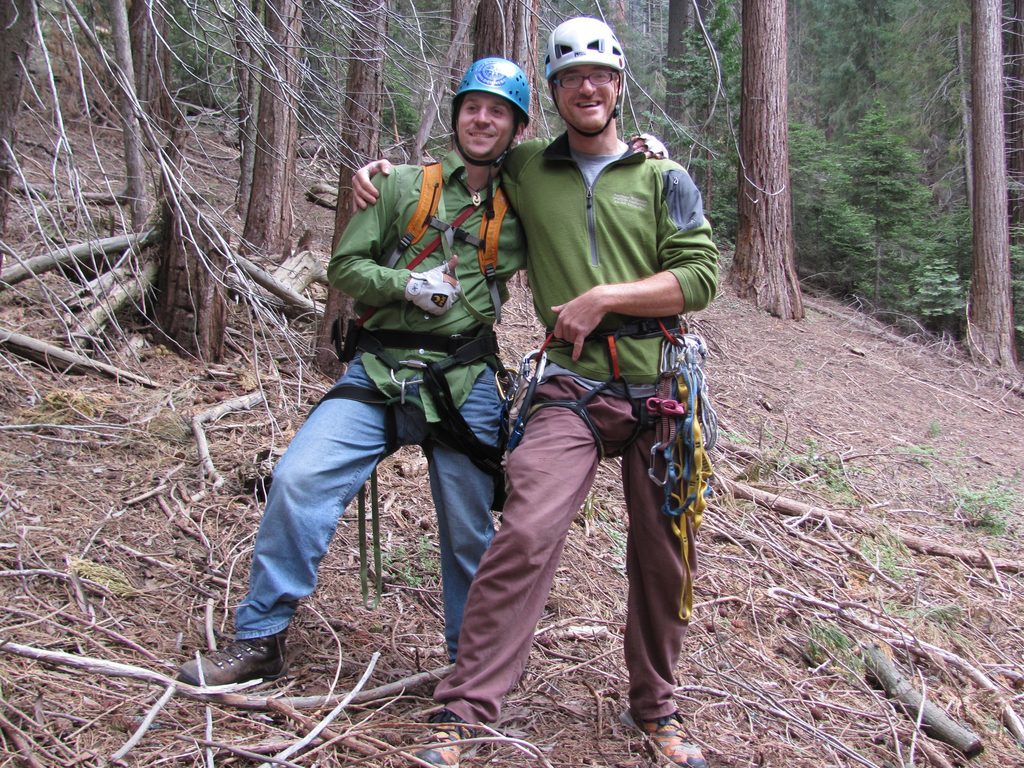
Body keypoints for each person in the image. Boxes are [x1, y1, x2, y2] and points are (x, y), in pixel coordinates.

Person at [352, 16, 718, 768]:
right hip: (572, 388)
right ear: (553, 92)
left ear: (620, 87)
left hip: (660, 389)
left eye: (602, 76)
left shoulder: (663, 177)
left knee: (664, 557)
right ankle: (464, 712)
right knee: (524, 529)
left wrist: (602, 297)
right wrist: (378, 176)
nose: (589, 87)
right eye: (572, 77)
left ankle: (657, 710)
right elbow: (466, 165)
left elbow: (700, 277)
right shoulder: (528, 169)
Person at [176, 57, 530, 687]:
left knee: (469, 529)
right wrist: (406, 285)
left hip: (464, 379)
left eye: (498, 111)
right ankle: (260, 637)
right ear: (456, 116)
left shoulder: (525, 199)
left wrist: (642, 151)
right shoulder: (398, 185)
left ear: (515, 126)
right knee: (298, 478)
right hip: (378, 370)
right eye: (473, 106)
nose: (483, 119)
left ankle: (468, 668)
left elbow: (589, 174)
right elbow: (343, 267)